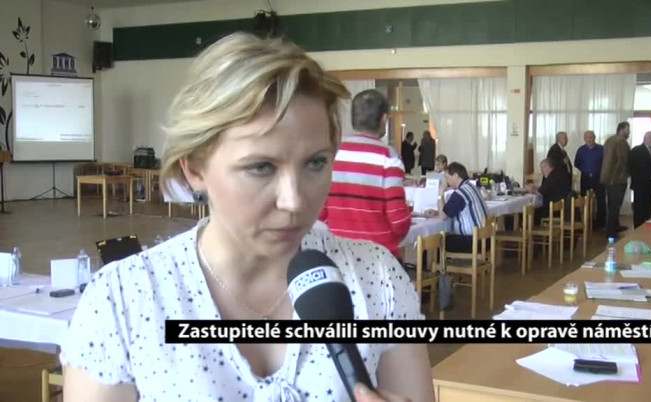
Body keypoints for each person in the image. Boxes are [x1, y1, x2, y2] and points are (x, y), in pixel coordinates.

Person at [60, 34, 433, 402]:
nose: (294, 201)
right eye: (261, 167)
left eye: (315, 163)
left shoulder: (376, 278)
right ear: (194, 169)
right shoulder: (123, 300)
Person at [320, 89, 412, 259]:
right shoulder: (389, 158)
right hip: (379, 255)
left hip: (338, 254)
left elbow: (320, 210)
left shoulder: (332, 154)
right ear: (384, 118)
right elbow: (398, 220)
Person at [433, 162, 490, 253]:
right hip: (485, 238)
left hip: (472, 241)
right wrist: (438, 211)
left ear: (455, 176)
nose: (446, 181)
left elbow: (442, 216)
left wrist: (440, 194)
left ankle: (445, 263)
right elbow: (452, 209)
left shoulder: (460, 193)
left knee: (439, 240)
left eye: (447, 177)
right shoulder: (472, 187)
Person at [628, 131, 651, 228]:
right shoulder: (637, 150)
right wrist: (638, 179)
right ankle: (638, 229)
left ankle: (646, 227)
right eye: (650, 138)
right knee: (639, 209)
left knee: (648, 209)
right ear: (645, 138)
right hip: (641, 185)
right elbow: (631, 167)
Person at [600, 122, 631, 238]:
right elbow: (623, 160)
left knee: (611, 205)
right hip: (618, 178)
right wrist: (628, 172)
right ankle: (611, 231)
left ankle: (614, 226)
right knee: (615, 206)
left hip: (608, 178)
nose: (629, 132)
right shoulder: (621, 142)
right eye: (627, 130)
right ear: (621, 129)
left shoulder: (609, 140)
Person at [574, 130, 605, 228]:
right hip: (586, 177)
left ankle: (601, 222)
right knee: (584, 199)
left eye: (591, 137)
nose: (589, 139)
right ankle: (586, 221)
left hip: (598, 177)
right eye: (587, 138)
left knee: (601, 199)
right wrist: (585, 169)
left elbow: (605, 163)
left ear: (594, 138)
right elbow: (577, 163)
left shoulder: (601, 149)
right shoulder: (581, 150)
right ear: (584, 139)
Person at [527, 158, 572, 225]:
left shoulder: (551, 177)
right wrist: (536, 187)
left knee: (532, 210)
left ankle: (533, 229)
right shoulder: (560, 173)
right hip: (562, 206)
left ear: (547, 166)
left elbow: (541, 192)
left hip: (553, 209)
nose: (542, 171)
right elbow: (548, 188)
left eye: (542, 168)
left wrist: (531, 190)